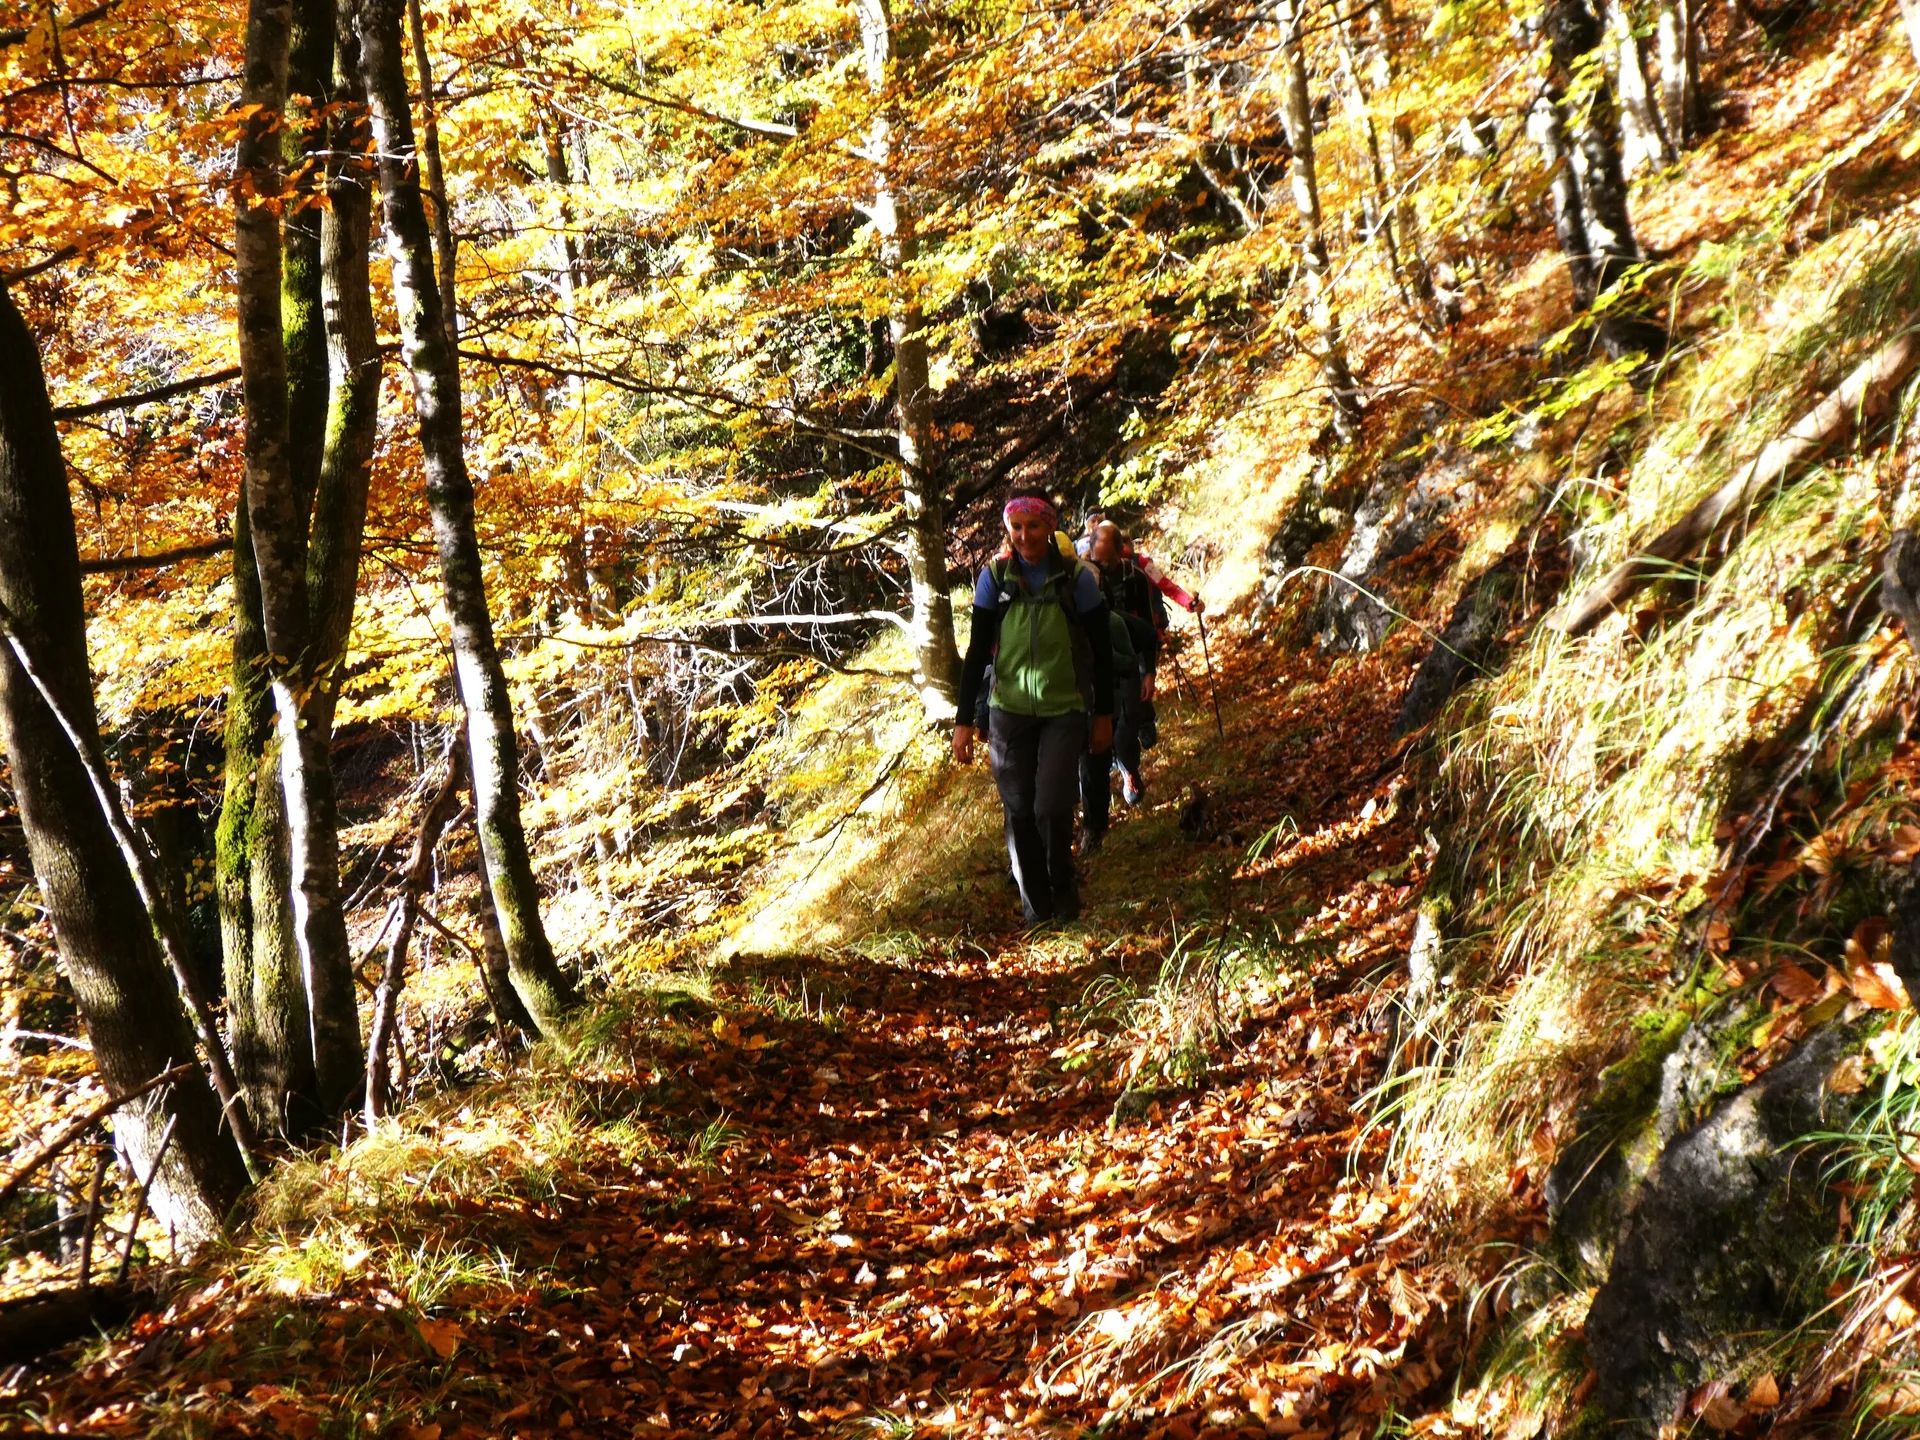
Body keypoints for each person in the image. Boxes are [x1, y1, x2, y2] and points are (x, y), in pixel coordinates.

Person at [953, 488, 1114, 924]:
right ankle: (1036, 915)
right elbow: (976, 651)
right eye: (1017, 527)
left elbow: (1101, 651)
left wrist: (1103, 716)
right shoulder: (995, 577)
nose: (1024, 536)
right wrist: (964, 720)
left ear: (1050, 526)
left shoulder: (1077, 579)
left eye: (1034, 526)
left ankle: (1063, 894)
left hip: (1064, 709)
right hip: (1008, 711)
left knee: (1052, 807)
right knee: (1019, 812)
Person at [1083, 522, 1153, 823]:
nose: (1102, 566)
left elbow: (1147, 628)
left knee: (1125, 730)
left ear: (1120, 551)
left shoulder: (1134, 577)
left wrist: (1149, 672)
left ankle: (1129, 770)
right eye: (1097, 560)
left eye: (1107, 560)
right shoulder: (1083, 578)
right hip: (1096, 671)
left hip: (1128, 662)